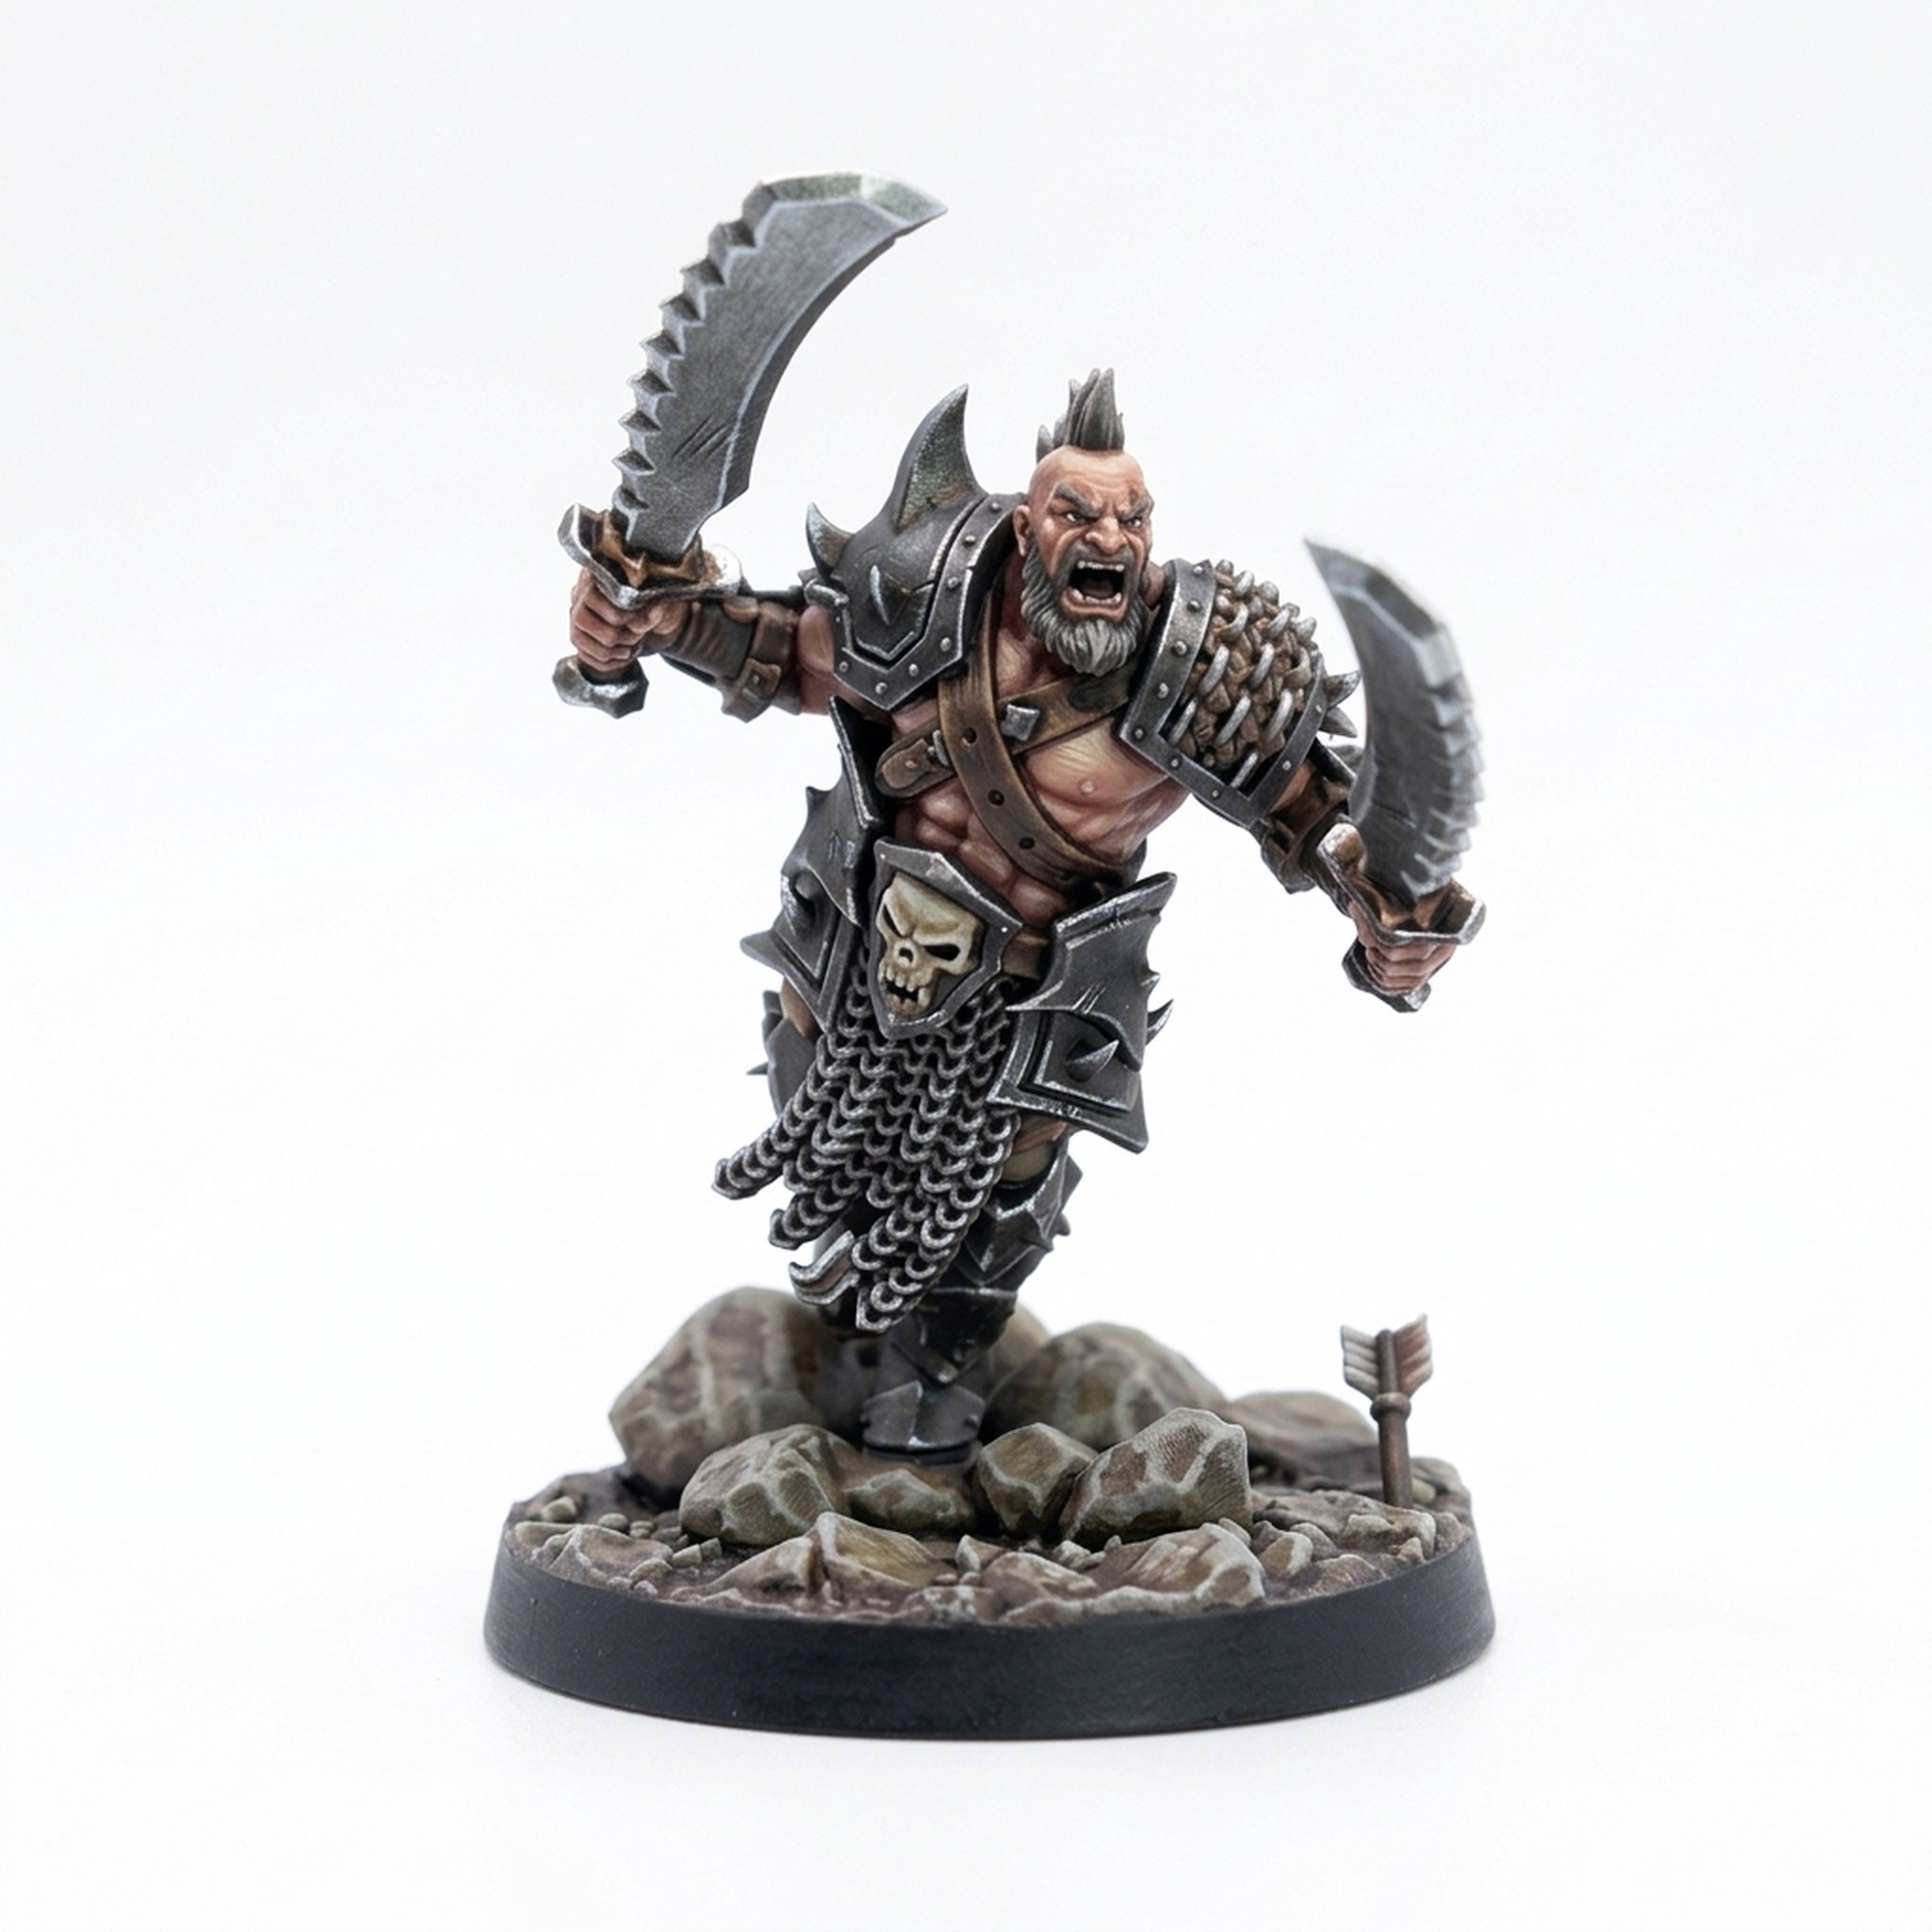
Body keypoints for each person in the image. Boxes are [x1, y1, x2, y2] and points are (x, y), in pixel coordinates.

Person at [566, 371, 1470, 1460]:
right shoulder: (924, 587)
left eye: (1131, 518)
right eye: (1076, 513)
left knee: (1000, 1190)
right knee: (822, 1133)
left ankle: (933, 1379)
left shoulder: (1200, 668)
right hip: (860, 942)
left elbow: (1316, 817)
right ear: (1025, 524)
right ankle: (852, 1322)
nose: (1108, 538)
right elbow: (780, 653)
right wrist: (655, 620)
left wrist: (1386, 922)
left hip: (1035, 991)